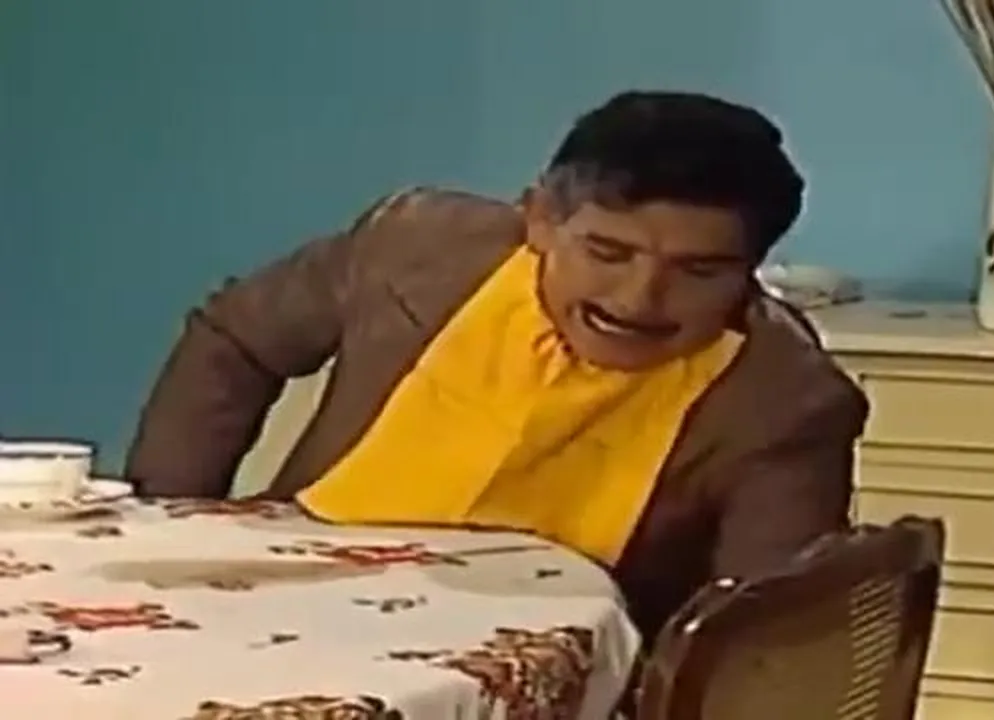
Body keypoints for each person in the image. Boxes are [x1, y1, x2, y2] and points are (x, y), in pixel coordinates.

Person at [125, 91, 869, 643]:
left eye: (700, 271)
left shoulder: (788, 400)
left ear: (752, 270)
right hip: (293, 606)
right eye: (607, 252)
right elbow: (234, 338)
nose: (638, 299)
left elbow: (763, 631)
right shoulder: (416, 248)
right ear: (539, 218)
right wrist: (173, 522)